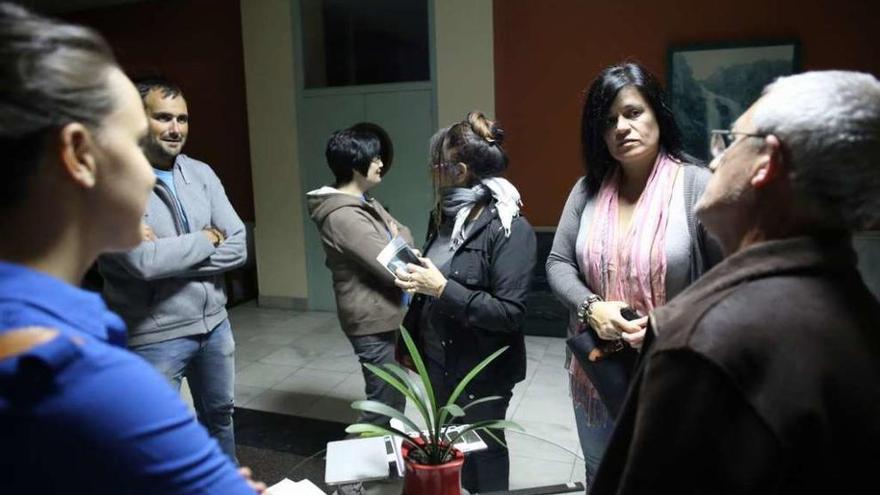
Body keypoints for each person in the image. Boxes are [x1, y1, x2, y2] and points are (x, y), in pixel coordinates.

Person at [0, 3, 262, 493]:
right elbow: (144, 264)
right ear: (80, 155)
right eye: (133, 137)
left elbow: (238, 245)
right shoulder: (87, 378)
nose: (149, 172)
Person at [591, 70, 880, 493]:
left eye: (729, 141)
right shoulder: (861, 312)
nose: (714, 160)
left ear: (768, 163)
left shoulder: (700, 342)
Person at [545, 62, 721, 485]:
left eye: (633, 112)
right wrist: (591, 308)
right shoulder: (587, 189)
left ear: (658, 114)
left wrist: (665, 325)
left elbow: (729, 284)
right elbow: (558, 263)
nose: (621, 127)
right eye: (608, 121)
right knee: (601, 473)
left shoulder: (697, 187)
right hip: (598, 375)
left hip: (672, 374)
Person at [97, 76, 247, 460]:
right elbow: (141, 263)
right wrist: (207, 238)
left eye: (183, 119)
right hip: (153, 334)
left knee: (220, 418)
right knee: (155, 432)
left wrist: (168, 256)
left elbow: (240, 245)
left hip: (215, 323)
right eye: (163, 117)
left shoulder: (201, 172)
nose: (176, 128)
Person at [395, 111, 537, 492]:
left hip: (481, 372)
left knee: (484, 453)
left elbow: (510, 313)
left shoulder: (509, 228)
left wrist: (442, 288)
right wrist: (417, 278)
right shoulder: (443, 216)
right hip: (439, 362)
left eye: (436, 165)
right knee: (454, 449)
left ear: (459, 172)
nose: (430, 172)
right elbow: (441, 274)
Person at [307, 123, 409, 427]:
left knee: (394, 394)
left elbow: (404, 236)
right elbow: (398, 265)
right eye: (374, 157)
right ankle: (358, 468)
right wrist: (397, 240)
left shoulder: (366, 204)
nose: (381, 163)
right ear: (355, 164)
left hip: (384, 313)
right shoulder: (344, 215)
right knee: (381, 405)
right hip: (370, 319)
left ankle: (387, 462)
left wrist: (397, 239)